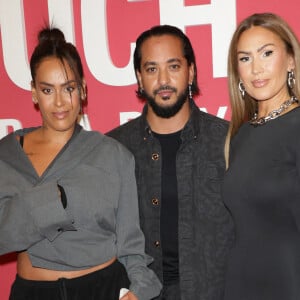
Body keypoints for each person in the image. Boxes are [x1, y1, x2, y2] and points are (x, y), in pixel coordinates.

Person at [0, 27, 162, 300]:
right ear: (33, 92)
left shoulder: (113, 155)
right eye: (48, 89)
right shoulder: (7, 154)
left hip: (102, 288)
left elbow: (130, 243)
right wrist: (53, 200)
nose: (60, 101)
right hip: (33, 293)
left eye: (69, 88)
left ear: (83, 89)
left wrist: (137, 293)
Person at [107, 25, 234, 300]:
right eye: (152, 69)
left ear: (191, 71)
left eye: (173, 66)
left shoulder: (228, 142)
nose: (163, 79)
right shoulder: (113, 149)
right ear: (139, 78)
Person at [223, 12, 300, 300]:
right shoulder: (240, 135)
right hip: (241, 283)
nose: (256, 68)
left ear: (290, 60)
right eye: (245, 58)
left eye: (267, 53)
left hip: (289, 283)